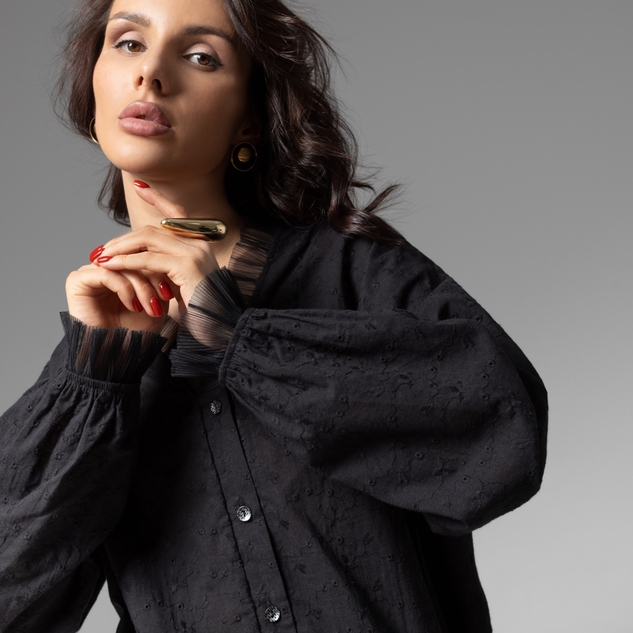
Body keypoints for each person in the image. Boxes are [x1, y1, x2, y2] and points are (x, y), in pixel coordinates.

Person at [0, 0, 548, 631]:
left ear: (250, 121)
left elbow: (506, 442)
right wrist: (97, 376)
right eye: (128, 43)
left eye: (201, 56)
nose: (150, 73)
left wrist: (240, 336)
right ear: (92, 90)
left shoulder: (353, 270)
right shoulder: (94, 360)